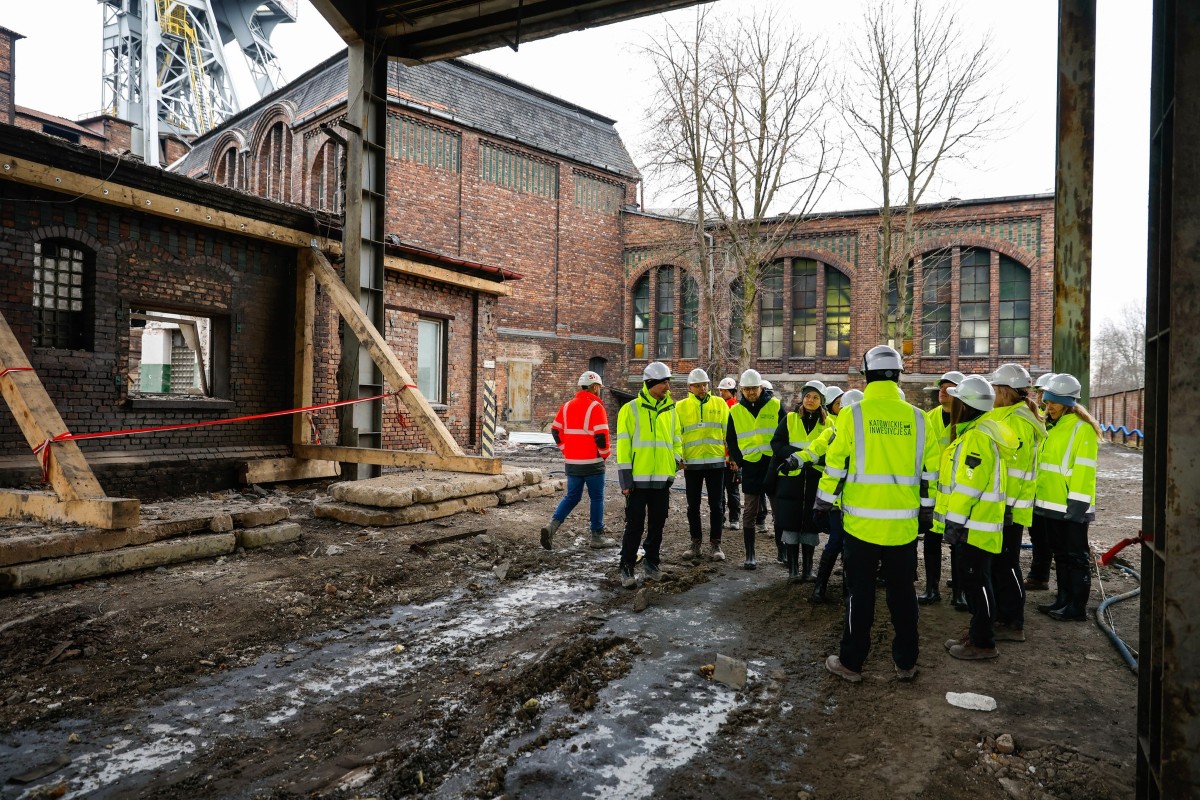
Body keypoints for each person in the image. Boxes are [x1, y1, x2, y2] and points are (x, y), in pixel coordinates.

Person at [816, 346, 939, 683]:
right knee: (902, 595)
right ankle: (906, 663)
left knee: (860, 593)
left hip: (861, 526)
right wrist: (927, 512)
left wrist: (823, 502)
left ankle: (851, 663)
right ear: (898, 375)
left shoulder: (852, 415)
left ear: (866, 375)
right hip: (903, 527)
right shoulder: (919, 418)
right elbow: (932, 473)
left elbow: (835, 464)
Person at [934, 375, 1019, 661]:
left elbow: (968, 487)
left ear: (965, 405)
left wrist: (954, 522)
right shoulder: (980, 431)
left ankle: (983, 642)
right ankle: (976, 632)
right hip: (976, 523)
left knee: (977, 582)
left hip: (973, 525)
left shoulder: (977, 438)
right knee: (977, 580)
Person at [985, 364, 1047, 643]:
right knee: (1000, 563)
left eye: (994, 389)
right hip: (1004, 505)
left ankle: (1012, 622)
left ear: (1004, 392)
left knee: (1006, 564)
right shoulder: (1009, 416)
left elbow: (1013, 470)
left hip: (1008, 507)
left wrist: (1005, 506)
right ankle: (1003, 616)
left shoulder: (1017, 422)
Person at [1033, 373, 1100, 621]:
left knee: (1076, 556)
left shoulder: (1082, 429)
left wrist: (1078, 507)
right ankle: (1062, 600)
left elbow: (1084, 471)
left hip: (1071, 506)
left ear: (1068, 403)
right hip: (1051, 504)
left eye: (1054, 402)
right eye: (1047, 401)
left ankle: (1077, 607)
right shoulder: (1054, 427)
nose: (1048, 406)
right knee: (1060, 554)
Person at [615, 362, 683, 589]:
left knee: (658, 523)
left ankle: (652, 563)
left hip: (662, 478)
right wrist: (626, 479)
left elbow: (676, 439)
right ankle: (626, 567)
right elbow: (623, 446)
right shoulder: (630, 409)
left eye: (668, 382)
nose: (668, 386)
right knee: (634, 525)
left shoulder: (670, 409)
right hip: (637, 480)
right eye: (664, 382)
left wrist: (674, 461)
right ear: (651, 383)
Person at [542, 370, 617, 550]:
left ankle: (551, 527)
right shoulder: (596, 407)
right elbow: (601, 436)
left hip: (573, 462)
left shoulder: (566, 406)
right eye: (599, 387)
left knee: (572, 496)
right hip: (593, 463)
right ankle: (597, 536)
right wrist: (605, 455)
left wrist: (566, 450)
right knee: (597, 498)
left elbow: (555, 431)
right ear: (595, 387)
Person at [806, 387, 863, 604]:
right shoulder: (832, 433)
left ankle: (848, 590)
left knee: (851, 545)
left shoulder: (866, 436)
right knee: (836, 542)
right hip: (837, 501)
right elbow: (814, 450)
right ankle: (820, 587)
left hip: (857, 501)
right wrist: (797, 459)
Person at [769, 380, 829, 583]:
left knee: (811, 525)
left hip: (815, 481)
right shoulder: (790, 419)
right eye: (807, 396)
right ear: (802, 398)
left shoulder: (829, 425)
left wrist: (812, 459)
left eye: (815, 397)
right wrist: (799, 457)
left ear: (822, 401)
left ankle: (808, 569)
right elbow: (776, 444)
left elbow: (835, 452)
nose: (810, 400)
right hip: (791, 481)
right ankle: (793, 569)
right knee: (791, 524)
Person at [917, 371, 965, 607]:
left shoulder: (966, 417)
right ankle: (931, 589)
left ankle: (959, 592)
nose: (943, 391)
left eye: (949, 387)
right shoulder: (929, 417)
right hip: (933, 491)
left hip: (957, 491)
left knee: (957, 541)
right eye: (941, 388)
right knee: (931, 539)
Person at [726, 369, 781, 570]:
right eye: (747, 389)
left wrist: (780, 456)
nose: (751, 392)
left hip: (772, 464)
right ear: (741, 389)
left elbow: (785, 432)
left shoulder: (775, 406)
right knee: (749, 511)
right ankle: (750, 554)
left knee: (777, 509)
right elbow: (731, 438)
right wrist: (739, 460)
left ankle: (781, 550)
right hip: (750, 465)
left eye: (754, 388)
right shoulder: (736, 411)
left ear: (761, 387)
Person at [678, 368, 730, 562]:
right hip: (692, 464)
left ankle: (716, 544)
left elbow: (728, 432)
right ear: (690, 387)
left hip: (716, 463)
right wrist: (679, 458)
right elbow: (677, 434)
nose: (702, 388)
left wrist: (730, 456)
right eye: (698, 385)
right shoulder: (680, 407)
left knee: (717, 505)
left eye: (705, 385)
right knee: (693, 506)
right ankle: (695, 543)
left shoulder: (720, 404)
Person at [1025, 372, 1059, 590]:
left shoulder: (1062, 426)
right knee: (1038, 535)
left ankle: (1041, 576)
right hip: (1038, 488)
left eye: (1043, 393)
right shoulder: (1043, 420)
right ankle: (1039, 576)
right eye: (1038, 393)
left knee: (1051, 539)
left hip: (1054, 493)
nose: (1040, 398)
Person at [716, 376, 742, 532]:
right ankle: (730, 519)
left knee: (729, 491)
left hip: (729, 459)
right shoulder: (724, 406)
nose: (720, 392)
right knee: (727, 491)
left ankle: (731, 519)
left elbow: (734, 437)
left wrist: (733, 458)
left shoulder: (733, 409)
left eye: (723, 390)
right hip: (723, 457)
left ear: (730, 391)